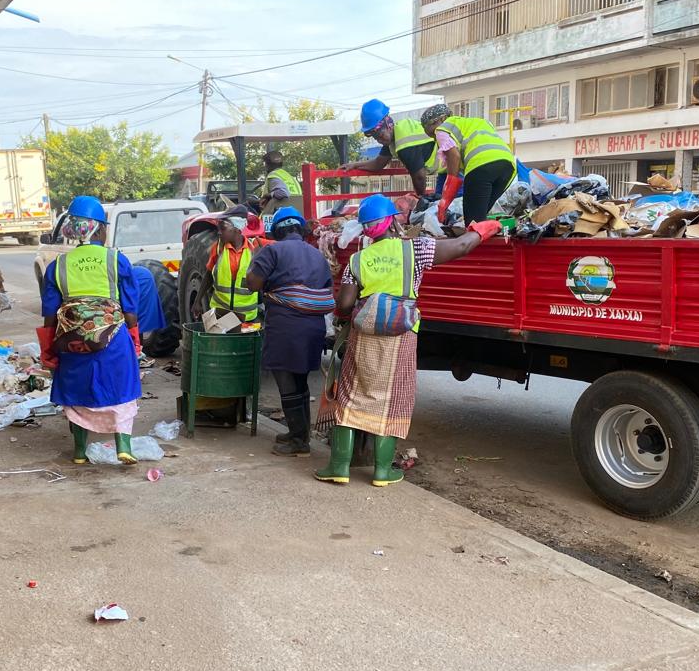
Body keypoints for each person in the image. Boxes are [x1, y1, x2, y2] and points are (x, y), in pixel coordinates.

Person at [316, 194, 500, 487]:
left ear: (366, 230)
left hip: (364, 336)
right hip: (401, 336)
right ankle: (382, 471)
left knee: (351, 397)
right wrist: (482, 231)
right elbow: (460, 246)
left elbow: (346, 304)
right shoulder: (415, 249)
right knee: (394, 398)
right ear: (394, 221)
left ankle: (339, 467)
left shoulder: (358, 259)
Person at [36, 195, 143, 465]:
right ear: (100, 228)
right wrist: (134, 339)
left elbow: (49, 315)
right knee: (122, 390)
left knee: (78, 393)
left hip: (72, 341)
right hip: (113, 339)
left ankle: (80, 452)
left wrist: (48, 350)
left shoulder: (57, 266)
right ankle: (124, 447)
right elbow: (130, 308)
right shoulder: (116, 260)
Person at [245, 206, 334, 456]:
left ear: (277, 231)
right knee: (301, 382)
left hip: (286, 326)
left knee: (286, 383)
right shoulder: (317, 255)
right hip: (312, 329)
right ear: (300, 229)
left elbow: (253, 284)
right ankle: (300, 434)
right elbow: (327, 288)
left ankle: (299, 442)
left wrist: (254, 265)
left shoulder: (272, 250)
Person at [420, 103, 516, 225]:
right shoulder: (478, 122)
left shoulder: (443, 128)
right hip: (508, 167)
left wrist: (444, 203)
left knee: (472, 224)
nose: (435, 138)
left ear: (442, 119)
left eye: (432, 133)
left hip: (481, 167)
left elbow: (454, 157)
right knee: (479, 218)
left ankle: (474, 242)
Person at [340, 99, 441, 198]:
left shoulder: (404, 144)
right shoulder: (394, 138)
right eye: (375, 137)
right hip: (446, 168)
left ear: (389, 124)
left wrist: (420, 199)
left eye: (380, 135)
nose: (379, 140)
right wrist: (354, 165)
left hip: (450, 166)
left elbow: (419, 177)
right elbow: (378, 163)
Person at [196, 205, 269, 324]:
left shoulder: (255, 248)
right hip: (220, 315)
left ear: (236, 228)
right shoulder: (218, 248)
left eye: (223, 229)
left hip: (247, 318)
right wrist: (197, 301)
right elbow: (209, 275)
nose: (219, 233)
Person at [260, 150, 301, 216]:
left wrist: (267, 195)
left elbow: (283, 193)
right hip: (296, 214)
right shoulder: (289, 177)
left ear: (267, 164)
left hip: (280, 216)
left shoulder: (273, 176)